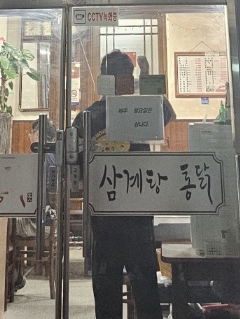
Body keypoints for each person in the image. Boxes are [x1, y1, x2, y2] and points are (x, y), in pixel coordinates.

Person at [74, 50, 175, 319]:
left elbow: (166, 113)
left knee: (117, 290)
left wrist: (147, 78)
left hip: (116, 217)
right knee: (141, 290)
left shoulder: (126, 112)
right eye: (128, 77)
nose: (130, 83)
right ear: (117, 80)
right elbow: (167, 112)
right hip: (123, 218)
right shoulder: (96, 116)